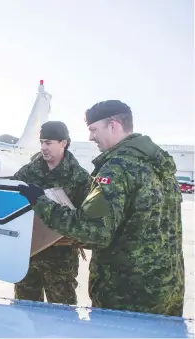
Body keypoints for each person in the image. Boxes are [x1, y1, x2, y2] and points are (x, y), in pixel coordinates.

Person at [18, 100, 185, 316]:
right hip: (168, 289)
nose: (90, 137)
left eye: (93, 129)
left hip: (127, 294)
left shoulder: (117, 169)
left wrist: (41, 202)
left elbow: (93, 231)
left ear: (113, 125)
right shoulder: (160, 166)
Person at [11, 121, 92, 305]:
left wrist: (74, 238)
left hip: (60, 263)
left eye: (48, 143)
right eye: (41, 142)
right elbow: (9, 201)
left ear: (63, 143)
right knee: (24, 312)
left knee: (62, 318)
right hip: (28, 259)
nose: (43, 148)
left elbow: (88, 221)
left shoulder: (79, 177)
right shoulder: (28, 172)